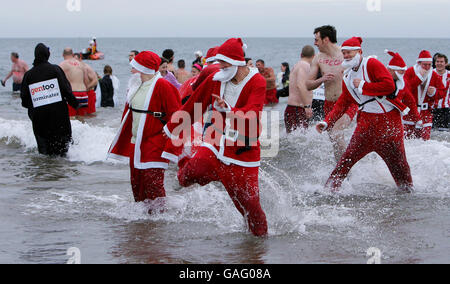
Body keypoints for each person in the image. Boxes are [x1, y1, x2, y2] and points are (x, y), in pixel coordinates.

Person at [163, 38, 268, 237]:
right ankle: (188, 176)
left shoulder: (257, 81)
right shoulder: (217, 77)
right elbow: (196, 104)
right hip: (216, 140)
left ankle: (259, 245)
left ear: (238, 62)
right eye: (219, 62)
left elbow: (253, 113)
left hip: (244, 148)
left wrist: (228, 109)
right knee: (193, 170)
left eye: (225, 62)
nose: (220, 66)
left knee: (250, 205)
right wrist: (171, 128)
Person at [316, 37, 414, 193]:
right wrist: (327, 122)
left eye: (349, 52)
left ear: (359, 52)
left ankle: (411, 197)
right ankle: (328, 192)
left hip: (389, 124)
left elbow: (388, 85)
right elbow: (344, 101)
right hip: (366, 125)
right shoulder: (347, 75)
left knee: (400, 167)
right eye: (344, 53)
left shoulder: (371, 64)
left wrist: (363, 85)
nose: (346, 55)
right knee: (346, 160)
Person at [108, 51, 181, 208]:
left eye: (134, 67)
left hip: (155, 141)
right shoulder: (135, 85)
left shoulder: (163, 85)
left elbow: (177, 114)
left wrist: (170, 134)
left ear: (144, 69)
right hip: (136, 142)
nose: (131, 71)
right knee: (137, 182)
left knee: (152, 182)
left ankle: (160, 218)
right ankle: (142, 221)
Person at [306, 25, 358, 162]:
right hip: (329, 104)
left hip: (348, 102)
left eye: (317, 40)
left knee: (336, 133)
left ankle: (347, 166)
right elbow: (308, 85)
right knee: (334, 142)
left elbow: (362, 70)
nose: (314, 43)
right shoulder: (318, 58)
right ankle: (341, 173)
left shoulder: (346, 54)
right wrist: (322, 79)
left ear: (326, 39)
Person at [20, 43, 79, 156]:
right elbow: (66, 90)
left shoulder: (28, 75)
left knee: (44, 153)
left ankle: (46, 173)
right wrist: (75, 104)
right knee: (63, 151)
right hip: (59, 117)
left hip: (39, 119)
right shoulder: (55, 70)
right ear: (47, 55)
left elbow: (24, 101)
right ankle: (58, 172)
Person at [403, 50, 446, 140]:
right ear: (419, 63)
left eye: (429, 65)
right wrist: (419, 78)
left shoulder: (433, 74)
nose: (427, 67)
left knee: (424, 140)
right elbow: (405, 90)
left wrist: (434, 92)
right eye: (424, 64)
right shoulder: (410, 72)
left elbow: (442, 92)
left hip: (426, 112)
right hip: (410, 112)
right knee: (407, 139)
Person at [385, 50, 422, 127]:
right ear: (391, 69)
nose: (403, 73)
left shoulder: (403, 83)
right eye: (401, 71)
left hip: (396, 117)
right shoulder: (381, 79)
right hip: (379, 115)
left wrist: (417, 119)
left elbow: (410, 101)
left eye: (404, 71)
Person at [284, 46, 315, 133]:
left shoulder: (297, 65)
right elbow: (300, 86)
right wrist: (307, 106)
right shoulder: (305, 65)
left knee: (294, 140)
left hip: (292, 108)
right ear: (314, 56)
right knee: (300, 140)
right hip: (297, 109)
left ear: (301, 55)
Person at [59, 48, 90, 117]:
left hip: (72, 94)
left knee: (71, 119)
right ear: (72, 54)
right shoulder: (81, 65)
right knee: (82, 120)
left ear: (63, 55)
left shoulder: (62, 64)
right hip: (83, 94)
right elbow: (86, 81)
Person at [432, 53, 450, 130]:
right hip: (432, 109)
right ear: (435, 63)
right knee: (432, 132)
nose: (439, 63)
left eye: (441, 62)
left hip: (446, 109)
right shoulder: (430, 74)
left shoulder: (449, 75)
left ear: (445, 63)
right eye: (437, 61)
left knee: (446, 133)